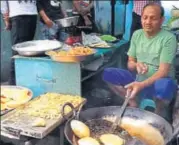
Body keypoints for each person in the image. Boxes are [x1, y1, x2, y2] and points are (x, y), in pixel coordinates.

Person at [102, 3, 177, 122]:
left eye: (153, 18)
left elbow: (163, 71)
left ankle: (156, 117)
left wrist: (140, 85)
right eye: (145, 17)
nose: (148, 22)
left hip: (159, 81)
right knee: (108, 73)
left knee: (164, 86)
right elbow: (130, 63)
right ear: (140, 18)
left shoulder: (169, 38)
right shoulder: (137, 35)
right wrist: (136, 65)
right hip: (139, 79)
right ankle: (133, 103)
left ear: (162, 20)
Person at [1, 0, 38, 85]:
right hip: (18, 14)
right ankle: (13, 84)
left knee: (29, 51)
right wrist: (6, 17)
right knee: (18, 51)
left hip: (32, 13)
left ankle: (26, 82)